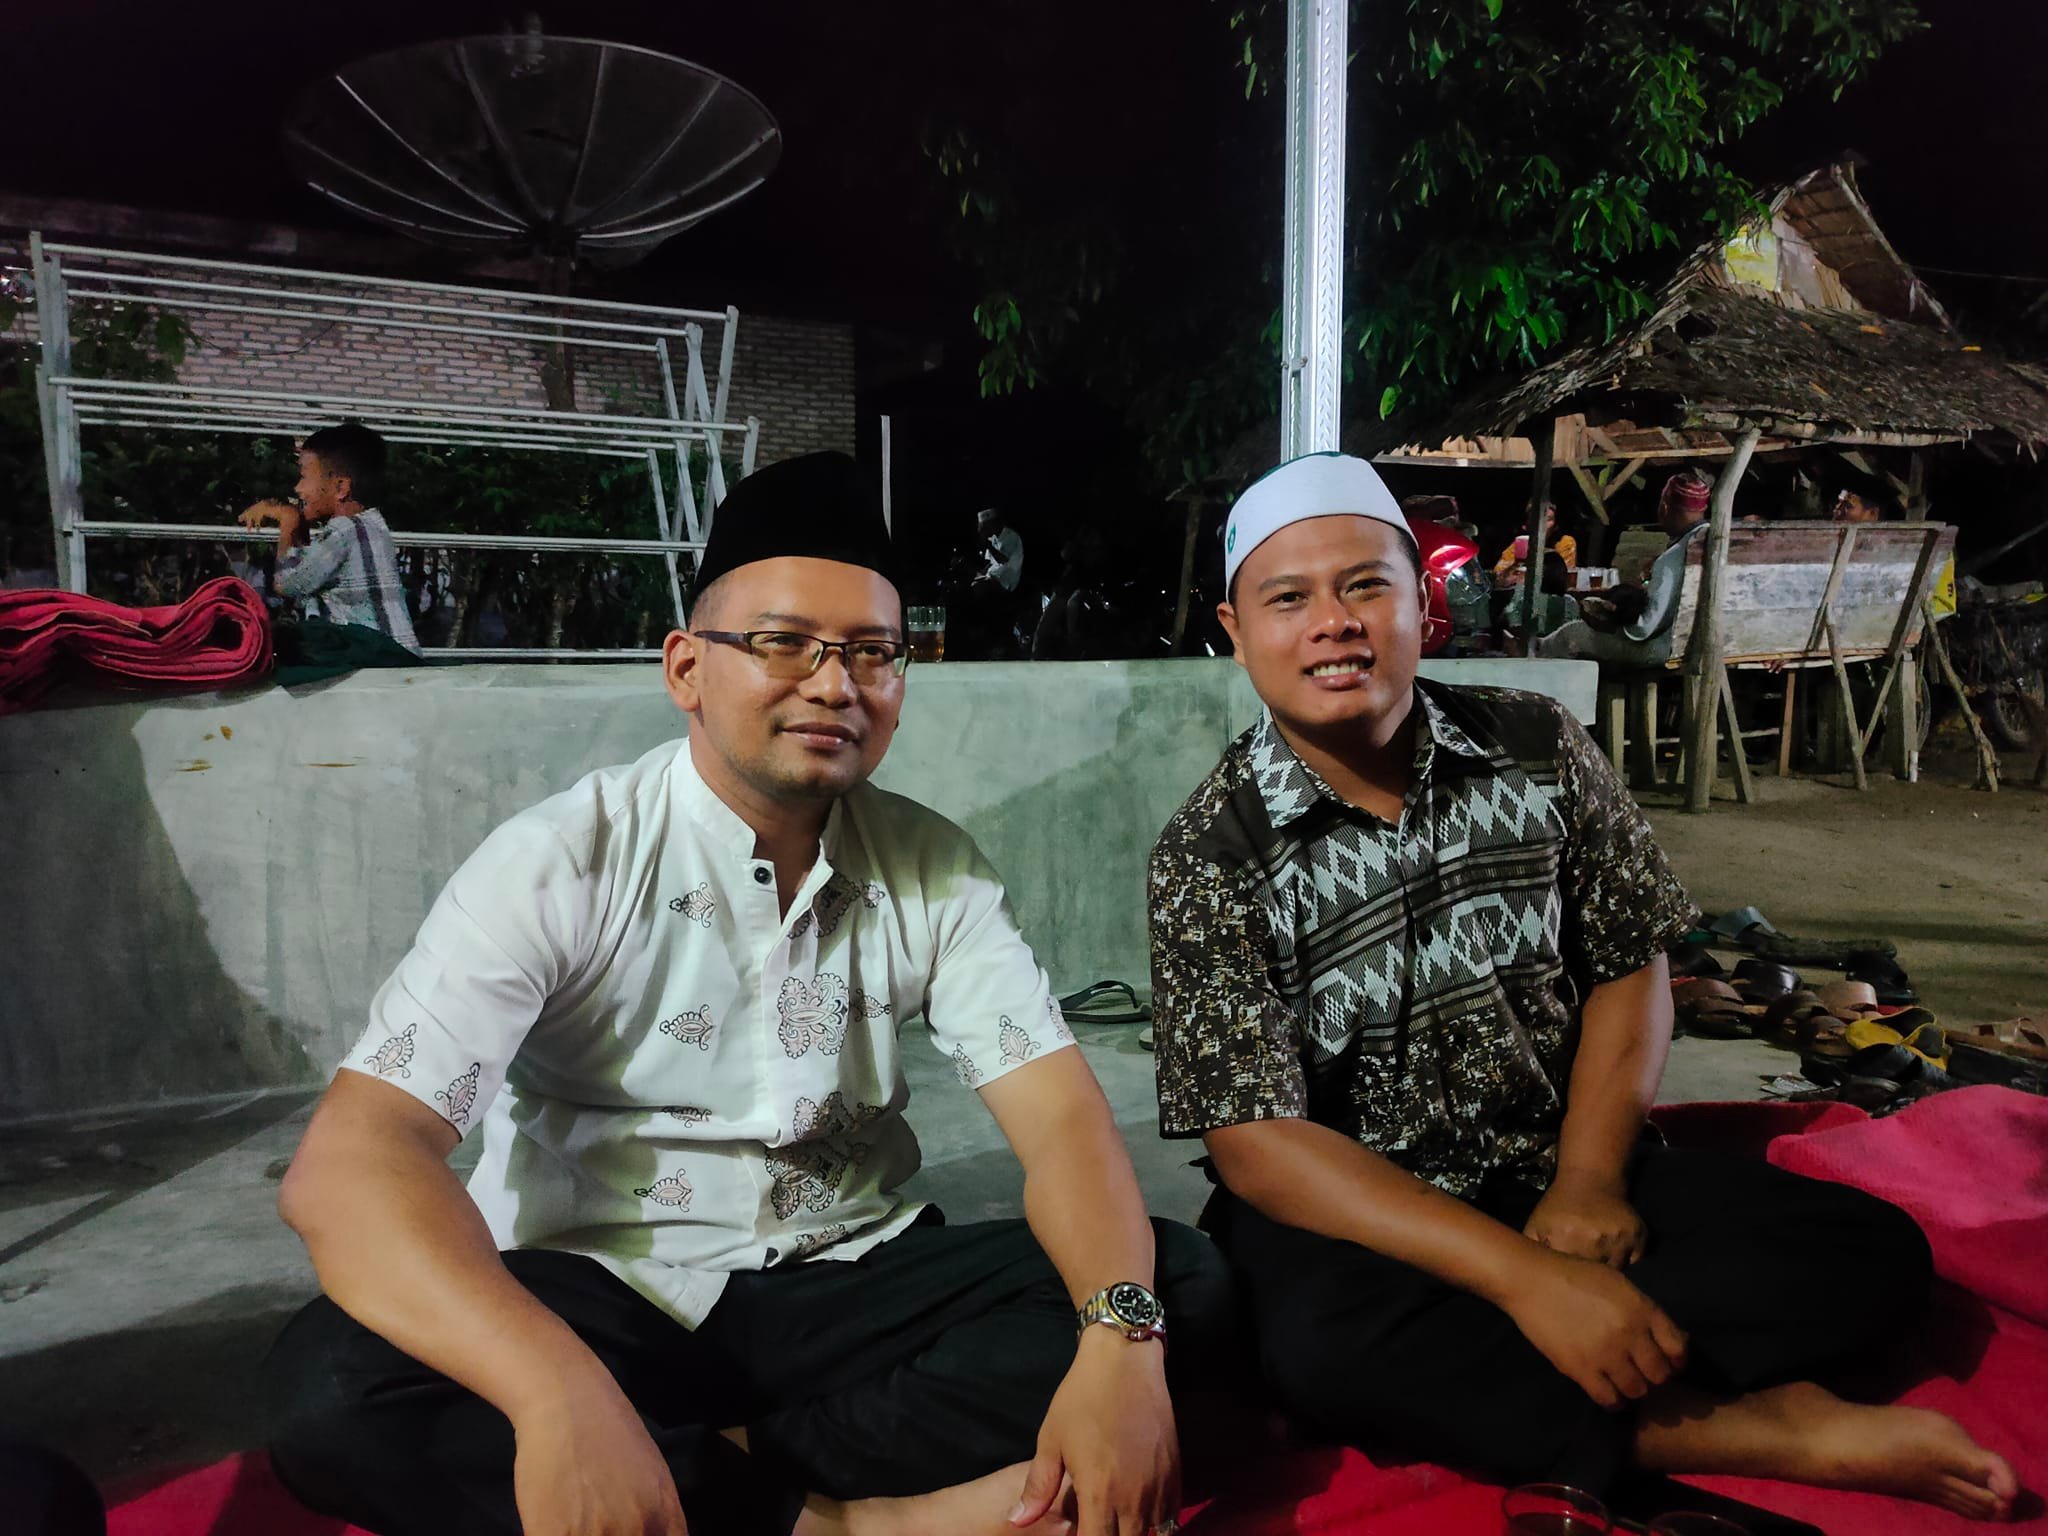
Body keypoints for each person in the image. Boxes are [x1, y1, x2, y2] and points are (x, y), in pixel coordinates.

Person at [263, 451, 1233, 1536]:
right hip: (611, 1292)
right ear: (687, 668)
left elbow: (1061, 1125)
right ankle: (862, 1523)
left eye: (873, 653)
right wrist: (554, 1392)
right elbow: (354, 1162)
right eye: (783, 643)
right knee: (334, 1391)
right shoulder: (562, 860)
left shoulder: (933, 870)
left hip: (849, 1276)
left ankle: (707, 1483)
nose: (834, 685)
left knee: (1179, 1283)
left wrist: (1118, 1337)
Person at [1145, 451, 2017, 1520]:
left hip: (1552, 1169)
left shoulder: (1535, 744)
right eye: (1288, 600)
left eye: (1364, 585)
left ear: (1421, 601)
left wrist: (1589, 1185)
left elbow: (1628, 964)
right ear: (1236, 633)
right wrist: (1526, 1282)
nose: (1333, 623)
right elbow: (1255, 1140)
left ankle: (1550, 1383)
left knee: (1870, 1253)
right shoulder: (1209, 851)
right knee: (1311, 1349)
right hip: (1361, 1223)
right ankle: (1751, 1426)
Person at [236, 421, 420, 654]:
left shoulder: (342, 532)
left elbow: (288, 585)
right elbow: (312, 566)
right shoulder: (374, 525)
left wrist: (288, 521)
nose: (298, 489)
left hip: (376, 662)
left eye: (304, 477)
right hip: (399, 654)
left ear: (340, 487)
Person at [1530, 469, 1709, 666]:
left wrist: (1610, 624)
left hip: (1664, 649)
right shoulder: (1711, 543)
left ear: (1665, 507)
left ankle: (1534, 656)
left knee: (1573, 633)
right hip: (1705, 646)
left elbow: (1642, 629)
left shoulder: (1672, 558)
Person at [1491, 502, 1576, 588]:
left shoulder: (1565, 543)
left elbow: (1561, 579)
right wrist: (1515, 565)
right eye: (1535, 519)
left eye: (1548, 519)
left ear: (1555, 526)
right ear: (1526, 525)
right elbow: (1498, 577)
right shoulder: (1520, 544)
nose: (1541, 524)